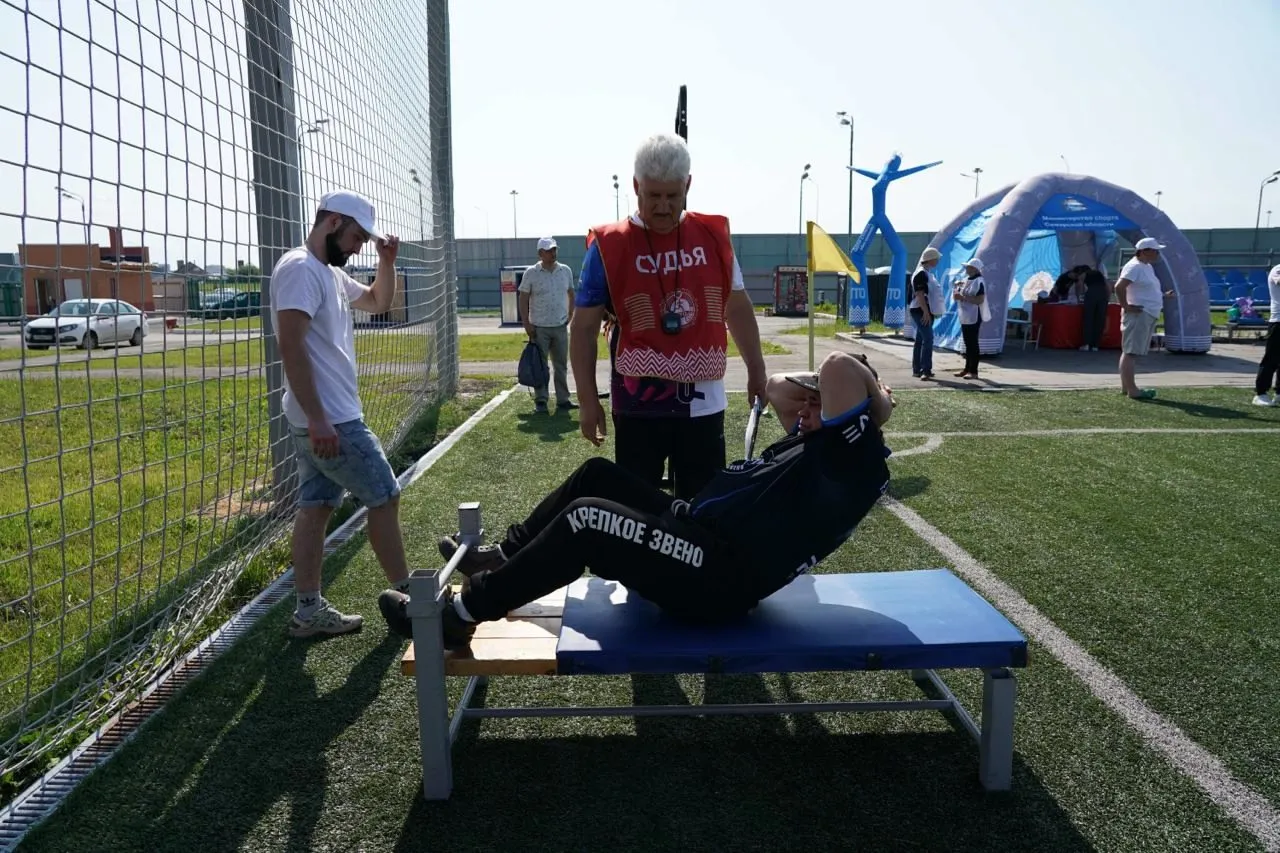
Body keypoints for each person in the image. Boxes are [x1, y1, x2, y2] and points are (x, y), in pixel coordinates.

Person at [378, 350, 896, 646]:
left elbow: (838, 366)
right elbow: (781, 387)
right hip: (698, 534)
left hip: (717, 576)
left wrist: (879, 402)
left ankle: (461, 615)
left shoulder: (852, 459)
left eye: (819, 404)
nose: (804, 410)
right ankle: (504, 558)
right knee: (597, 475)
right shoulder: (824, 443)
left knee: (588, 521)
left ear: (857, 411)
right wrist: (829, 398)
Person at [568, 133, 767, 499]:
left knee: (702, 507)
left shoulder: (712, 236)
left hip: (703, 402)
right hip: (637, 404)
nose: (663, 207)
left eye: (673, 196)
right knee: (636, 507)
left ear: (687, 185)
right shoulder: (609, 244)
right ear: (636, 186)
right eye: (653, 195)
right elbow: (582, 329)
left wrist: (757, 369)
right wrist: (587, 399)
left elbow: (736, 306)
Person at [271, 190, 410, 638]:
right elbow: (291, 346)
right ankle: (410, 599)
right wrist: (318, 418)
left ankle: (308, 610)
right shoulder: (300, 269)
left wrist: (386, 262)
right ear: (333, 223)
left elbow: (379, 302)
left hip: (324, 417)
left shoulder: (328, 273)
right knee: (385, 495)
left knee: (316, 508)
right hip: (331, 419)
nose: (357, 247)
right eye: (355, 237)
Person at [519, 237, 577, 414]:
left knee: (561, 365)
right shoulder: (531, 273)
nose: (553, 253)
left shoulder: (565, 270)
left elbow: (571, 293)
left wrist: (570, 314)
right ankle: (541, 400)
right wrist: (526, 323)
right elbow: (523, 298)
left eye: (554, 249)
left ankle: (563, 399)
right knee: (540, 365)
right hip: (539, 327)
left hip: (560, 326)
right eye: (549, 250)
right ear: (540, 253)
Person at [1115, 237, 1174, 400]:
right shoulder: (1134, 267)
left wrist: (1162, 296)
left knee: (1131, 352)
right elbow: (1119, 287)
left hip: (1145, 313)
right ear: (1144, 251)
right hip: (1138, 314)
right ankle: (1132, 390)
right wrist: (1126, 306)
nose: (1158, 254)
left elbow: (1145, 290)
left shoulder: (1146, 266)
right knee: (1130, 353)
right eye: (1155, 251)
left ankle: (1127, 387)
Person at [951, 258, 989, 380]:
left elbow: (980, 300)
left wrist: (963, 298)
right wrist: (957, 289)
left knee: (973, 343)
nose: (966, 269)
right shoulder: (967, 279)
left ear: (974, 269)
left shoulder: (979, 281)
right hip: (966, 315)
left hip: (974, 315)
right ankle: (967, 369)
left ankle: (974, 371)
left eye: (968, 267)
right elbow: (960, 294)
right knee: (967, 343)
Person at [909, 247, 944, 379]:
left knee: (920, 339)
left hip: (923, 309)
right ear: (930, 259)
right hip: (920, 309)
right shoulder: (921, 274)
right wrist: (925, 312)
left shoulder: (927, 273)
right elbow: (919, 294)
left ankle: (917, 369)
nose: (938, 261)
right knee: (928, 339)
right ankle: (925, 370)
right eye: (937, 258)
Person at [1252, 263, 1280, 406]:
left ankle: (1279, 393)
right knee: (1271, 359)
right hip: (1278, 322)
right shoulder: (1278, 269)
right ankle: (1261, 393)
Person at [1079, 266, 1111, 351]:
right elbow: (1108, 285)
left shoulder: (1084, 274)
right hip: (1103, 295)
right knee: (1100, 320)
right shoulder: (1100, 274)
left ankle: (1087, 344)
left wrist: (1081, 295)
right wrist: (1108, 297)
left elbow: (1080, 285)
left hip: (1091, 294)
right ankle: (1095, 345)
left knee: (1088, 319)